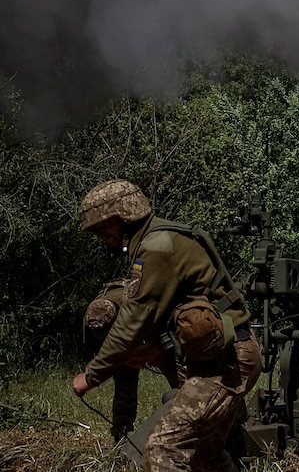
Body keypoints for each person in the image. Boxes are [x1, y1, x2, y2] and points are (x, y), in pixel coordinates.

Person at [72, 179, 262, 471]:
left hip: (227, 360)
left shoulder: (157, 247)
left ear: (123, 216)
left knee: (162, 449)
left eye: (102, 227)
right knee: (206, 453)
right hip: (225, 356)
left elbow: (133, 322)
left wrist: (92, 376)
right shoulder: (158, 240)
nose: (102, 237)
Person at [83, 280, 180, 443]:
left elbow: (160, 325)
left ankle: (193, 420)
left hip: (156, 331)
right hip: (127, 336)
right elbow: (96, 351)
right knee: (124, 382)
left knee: (180, 379)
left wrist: (146, 351)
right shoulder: (92, 318)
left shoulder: (137, 304)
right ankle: (121, 435)